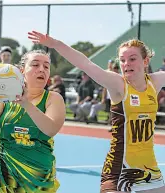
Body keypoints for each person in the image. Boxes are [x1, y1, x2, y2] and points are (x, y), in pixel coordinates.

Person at [28, 31, 165, 193]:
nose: (126, 64)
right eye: (122, 60)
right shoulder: (118, 85)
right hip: (120, 166)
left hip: (148, 166)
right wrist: (57, 44)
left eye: (132, 59)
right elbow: (87, 65)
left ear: (145, 61)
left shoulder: (155, 82)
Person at [0, 49, 66, 192]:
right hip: (1, 172)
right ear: (21, 71)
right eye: (35, 65)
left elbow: (50, 129)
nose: (42, 69)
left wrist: (25, 103)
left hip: (38, 177)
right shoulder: (5, 97)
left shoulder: (53, 98)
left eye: (46, 66)